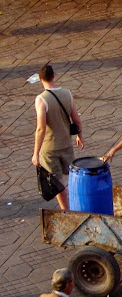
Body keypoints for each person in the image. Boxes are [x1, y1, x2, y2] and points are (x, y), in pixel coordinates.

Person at [31, 64, 85, 210]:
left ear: (40, 79)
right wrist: (79, 136)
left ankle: (66, 211)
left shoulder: (41, 99)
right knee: (72, 175)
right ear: (54, 75)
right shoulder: (67, 93)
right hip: (66, 144)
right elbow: (76, 119)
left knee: (58, 182)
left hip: (50, 149)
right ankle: (79, 202)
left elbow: (41, 128)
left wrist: (36, 153)